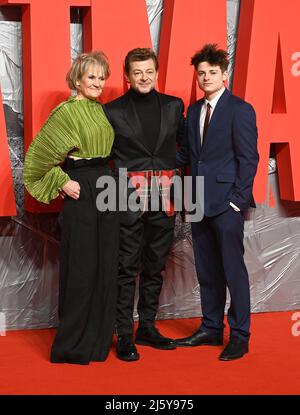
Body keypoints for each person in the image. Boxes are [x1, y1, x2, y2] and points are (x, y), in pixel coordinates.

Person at [23, 51, 119, 365]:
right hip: (81, 188)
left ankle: (97, 340)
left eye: (101, 77)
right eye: (91, 77)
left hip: (105, 186)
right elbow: (36, 164)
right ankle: (73, 345)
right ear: (77, 79)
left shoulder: (100, 110)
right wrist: (63, 180)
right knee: (82, 264)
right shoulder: (65, 112)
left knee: (105, 263)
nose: (97, 83)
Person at [176, 44, 259, 361]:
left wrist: (238, 202)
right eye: (201, 73)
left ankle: (240, 335)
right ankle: (211, 328)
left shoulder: (240, 109)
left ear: (224, 74)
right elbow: (187, 155)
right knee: (207, 271)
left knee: (233, 270)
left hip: (227, 204)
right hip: (197, 200)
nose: (206, 77)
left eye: (212, 72)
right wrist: (146, 157)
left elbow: (249, 159)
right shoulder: (194, 111)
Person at [104, 48, 184, 361]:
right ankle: (124, 334)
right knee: (125, 267)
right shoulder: (111, 111)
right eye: (137, 72)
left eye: (148, 71)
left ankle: (147, 327)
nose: (143, 77)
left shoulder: (174, 106)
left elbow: (185, 148)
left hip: (165, 195)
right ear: (127, 76)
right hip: (126, 196)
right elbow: (105, 155)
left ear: (156, 71)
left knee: (154, 265)